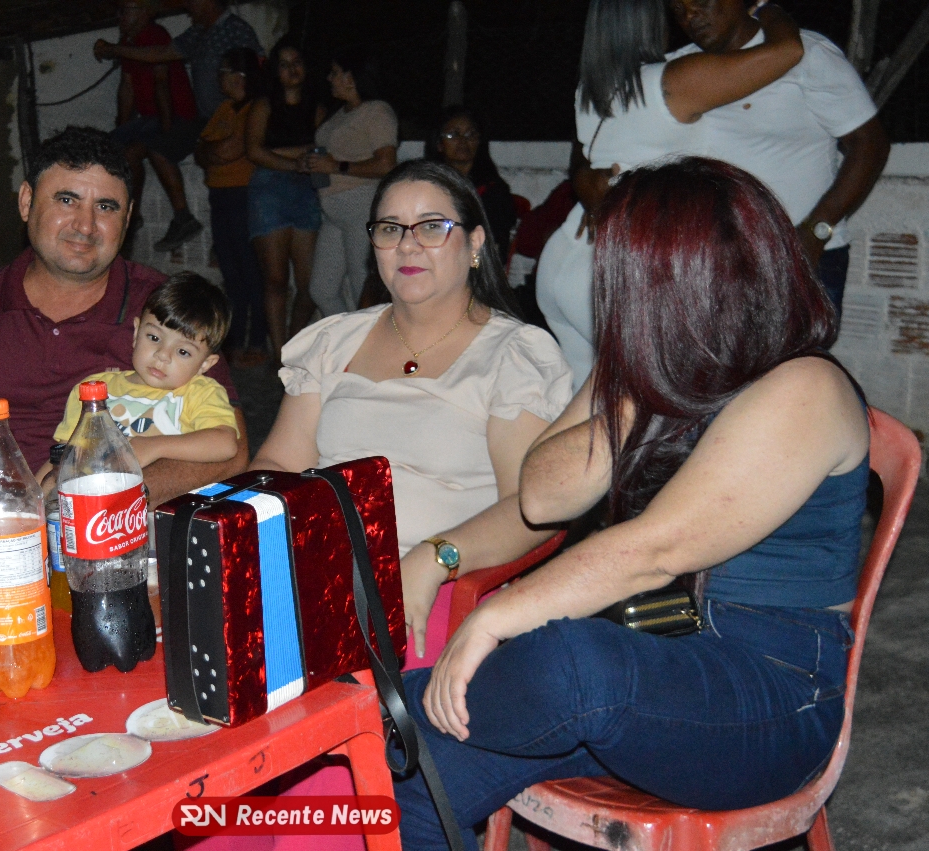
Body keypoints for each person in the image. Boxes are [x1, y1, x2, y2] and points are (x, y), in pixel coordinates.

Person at [396, 158, 869, 850]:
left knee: (570, 661)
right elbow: (542, 494)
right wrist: (642, 389)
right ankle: (389, 724)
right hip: (652, 669)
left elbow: (653, 551)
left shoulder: (805, 389)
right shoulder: (649, 368)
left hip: (772, 698)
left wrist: (493, 618)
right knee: (418, 782)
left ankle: (381, 710)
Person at [231, 159, 569, 851]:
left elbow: (532, 508)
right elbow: (277, 466)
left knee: (320, 763)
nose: (408, 244)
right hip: (318, 578)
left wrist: (435, 557)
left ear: (475, 243)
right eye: (390, 228)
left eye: (431, 226)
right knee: (212, 730)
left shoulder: (511, 353)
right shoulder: (335, 340)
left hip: (434, 592)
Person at [0, 126, 248, 598]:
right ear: (26, 202)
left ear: (129, 218)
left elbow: (232, 450)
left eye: (106, 207)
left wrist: (101, 507)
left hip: (124, 548)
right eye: (67, 200)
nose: (85, 225)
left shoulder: (169, 313)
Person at [536, 0, 806, 389]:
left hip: (567, 254)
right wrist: (765, 8)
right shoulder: (673, 81)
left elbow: (585, 158)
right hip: (626, 265)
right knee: (657, 403)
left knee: (583, 398)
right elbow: (788, 51)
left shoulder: (591, 88)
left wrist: (585, 180)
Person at [668, 0, 890, 319]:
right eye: (678, 9)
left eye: (702, 3)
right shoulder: (676, 69)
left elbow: (869, 144)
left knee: (797, 353)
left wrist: (815, 231)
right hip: (708, 261)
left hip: (799, 255)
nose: (690, 16)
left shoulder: (808, 54)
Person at [48, 272, 239, 469]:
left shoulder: (201, 393)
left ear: (205, 364)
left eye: (183, 351)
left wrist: (155, 446)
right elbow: (63, 458)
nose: (162, 355)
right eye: (154, 338)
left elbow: (225, 443)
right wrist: (37, 487)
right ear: (136, 332)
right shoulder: (94, 390)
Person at [300, 47, 397, 317]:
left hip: (361, 204)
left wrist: (337, 166)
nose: (329, 79)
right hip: (333, 210)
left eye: (335, 73)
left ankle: (372, 340)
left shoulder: (376, 111)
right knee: (322, 290)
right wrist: (311, 163)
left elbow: (386, 164)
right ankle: (350, 338)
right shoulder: (340, 113)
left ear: (351, 77)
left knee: (361, 286)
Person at [245, 38, 325, 363]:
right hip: (269, 191)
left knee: (311, 285)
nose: (292, 70)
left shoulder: (317, 108)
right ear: (275, 71)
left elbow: (320, 149)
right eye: (284, 64)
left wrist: (278, 153)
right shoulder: (264, 106)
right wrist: (294, 160)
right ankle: (280, 355)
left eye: (297, 62)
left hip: (307, 191)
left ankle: (293, 342)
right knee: (276, 280)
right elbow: (254, 150)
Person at [106, 0, 205, 254]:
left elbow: (162, 82)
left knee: (143, 152)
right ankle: (131, 214)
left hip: (177, 115)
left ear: (144, 13)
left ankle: (181, 217)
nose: (120, 16)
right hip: (150, 119)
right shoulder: (128, 42)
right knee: (108, 149)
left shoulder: (155, 35)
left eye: (125, 10)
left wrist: (167, 127)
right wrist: (121, 130)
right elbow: (127, 88)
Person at [194, 47, 267, 364]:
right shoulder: (225, 109)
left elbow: (230, 151)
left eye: (222, 72)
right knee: (231, 272)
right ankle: (235, 341)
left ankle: (257, 342)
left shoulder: (255, 109)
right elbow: (201, 151)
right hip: (221, 196)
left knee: (252, 272)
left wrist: (212, 151)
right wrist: (213, 151)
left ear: (239, 77)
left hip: (243, 195)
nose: (217, 78)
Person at [95, 0, 263, 122]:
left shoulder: (236, 30)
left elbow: (258, 74)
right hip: (208, 120)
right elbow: (161, 53)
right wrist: (114, 49)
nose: (186, 5)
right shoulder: (197, 32)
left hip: (236, 119)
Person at [425, 105, 517, 261]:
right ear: (439, 143)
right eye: (453, 134)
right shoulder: (427, 186)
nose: (463, 141)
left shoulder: (493, 190)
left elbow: (496, 243)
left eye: (470, 134)